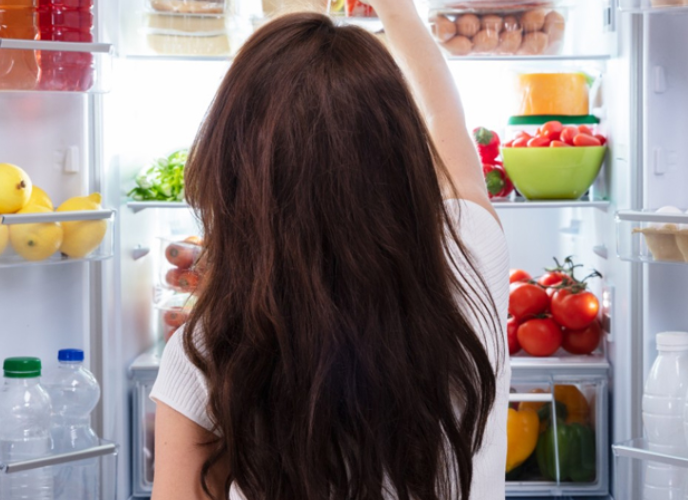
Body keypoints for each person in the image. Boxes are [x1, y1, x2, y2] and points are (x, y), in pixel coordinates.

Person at [149, 0, 511, 497]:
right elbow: (447, 121)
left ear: (233, 174)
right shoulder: (472, 260)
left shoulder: (209, 349)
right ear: (404, 156)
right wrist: (398, 11)